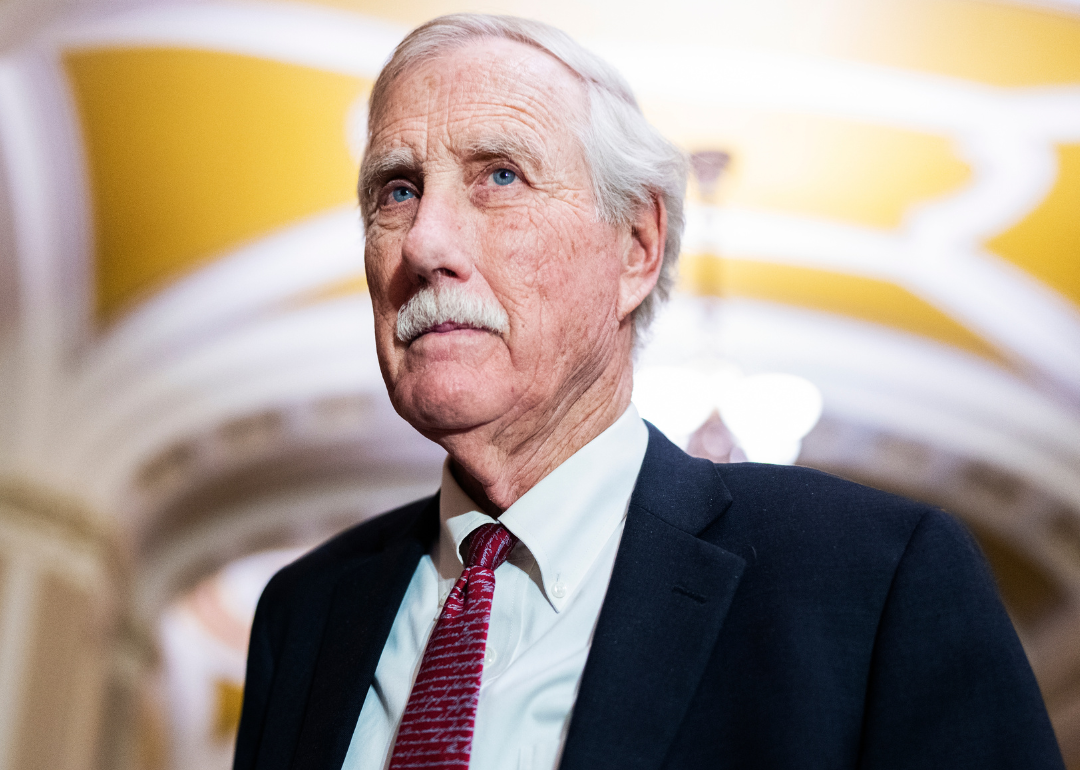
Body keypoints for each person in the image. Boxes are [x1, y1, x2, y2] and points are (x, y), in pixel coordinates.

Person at [233, 14, 1064, 770]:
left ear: (635, 247)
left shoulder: (876, 580)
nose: (425, 243)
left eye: (500, 177)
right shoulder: (305, 616)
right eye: (398, 190)